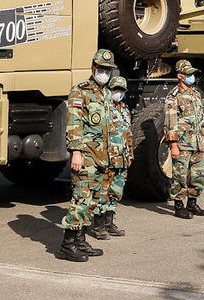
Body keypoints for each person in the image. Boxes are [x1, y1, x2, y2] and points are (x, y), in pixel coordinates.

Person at [57, 49, 122, 261]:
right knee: (81, 199)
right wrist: (76, 153)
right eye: (101, 68)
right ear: (93, 68)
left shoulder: (106, 94)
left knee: (92, 201)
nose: (105, 73)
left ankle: (81, 241)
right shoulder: (80, 91)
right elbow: (74, 124)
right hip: (86, 156)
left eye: (108, 70)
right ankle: (68, 244)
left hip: (102, 157)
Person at [89, 75, 133, 239]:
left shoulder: (125, 110)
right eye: (116, 89)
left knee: (115, 192)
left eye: (121, 90)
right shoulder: (104, 109)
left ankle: (109, 222)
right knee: (102, 193)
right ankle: (98, 226)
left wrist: (130, 154)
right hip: (107, 158)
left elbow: (128, 134)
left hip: (122, 159)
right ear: (109, 90)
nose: (118, 93)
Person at [164, 59, 204, 219]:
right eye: (188, 74)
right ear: (180, 76)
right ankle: (178, 206)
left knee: (199, 175)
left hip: (197, 142)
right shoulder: (173, 96)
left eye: (193, 73)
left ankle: (192, 203)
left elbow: (201, 119)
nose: (192, 77)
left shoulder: (196, 94)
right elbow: (170, 123)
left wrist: (203, 139)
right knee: (180, 176)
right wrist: (173, 145)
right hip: (182, 144)